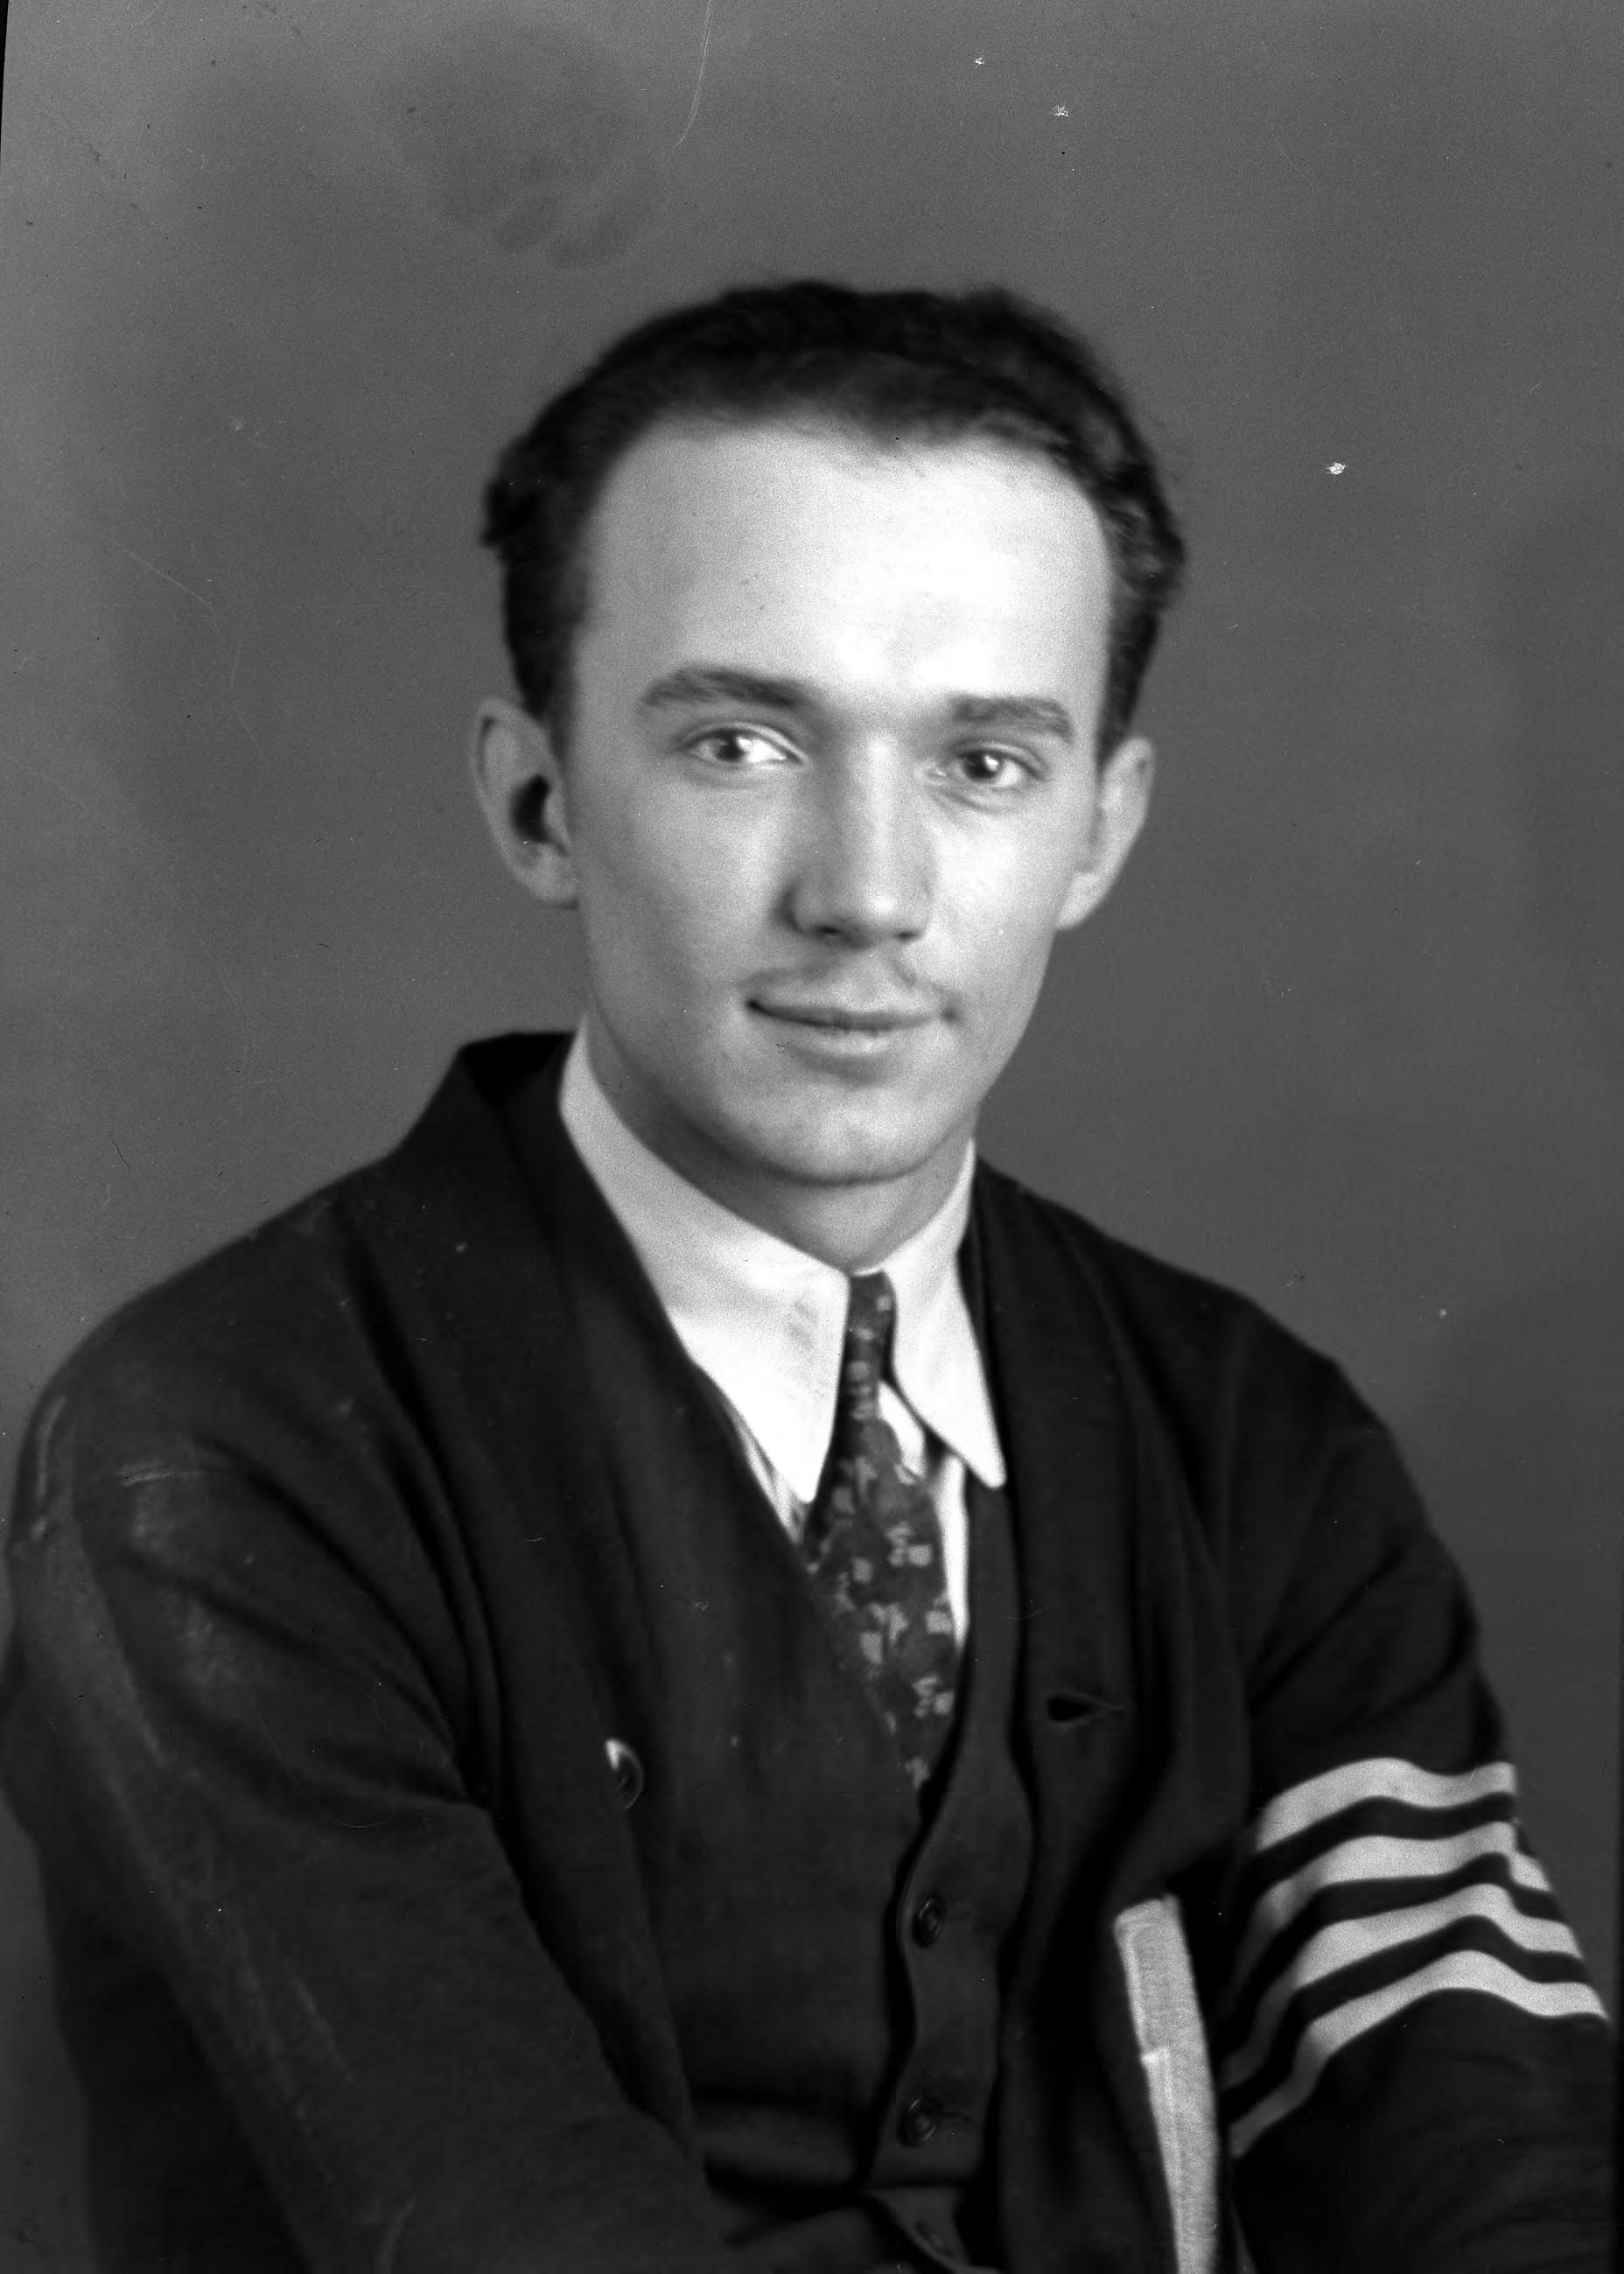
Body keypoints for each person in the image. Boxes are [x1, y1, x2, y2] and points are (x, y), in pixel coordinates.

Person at [0, 282, 1612, 2274]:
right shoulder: (222, 1449)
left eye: (984, 765)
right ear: (538, 801)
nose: (867, 892)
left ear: (1098, 833)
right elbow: (492, 2221)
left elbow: (1467, 2114)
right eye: (742, 742)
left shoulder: (1253, 1441)